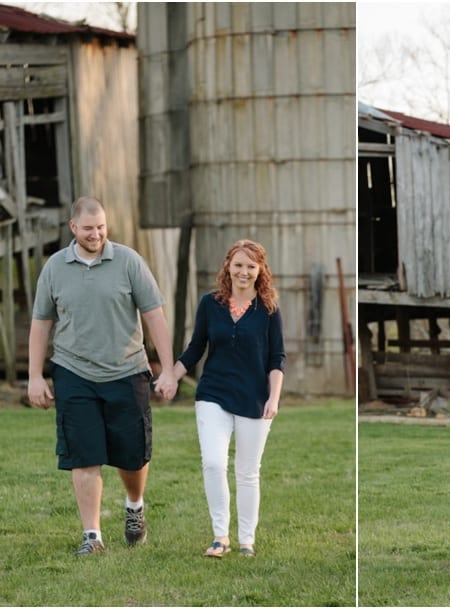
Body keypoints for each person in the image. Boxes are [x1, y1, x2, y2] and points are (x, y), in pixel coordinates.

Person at [27, 196, 178, 556]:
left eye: (101, 228)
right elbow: (41, 322)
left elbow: (154, 314)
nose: (96, 235)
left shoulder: (128, 261)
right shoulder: (54, 267)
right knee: (84, 455)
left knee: (133, 455)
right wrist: (35, 375)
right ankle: (92, 536)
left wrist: (169, 368)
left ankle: (134, 506)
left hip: (126, 370)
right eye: (89, 228)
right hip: (73, 370)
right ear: (73, 228)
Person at [171, 239, 285, 558]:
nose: (243, 272)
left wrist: (274, 399)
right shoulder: (211, 304)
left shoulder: (269, 310)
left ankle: (246, 539)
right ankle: (220, 536)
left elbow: (277, 359)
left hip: (254, 398)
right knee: (213, 462)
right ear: (228, 267)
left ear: (260, 270)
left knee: (248, 471)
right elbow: (196, 348)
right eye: (238, 265)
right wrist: (171, 375)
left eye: (250, 266)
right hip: (213, 393)